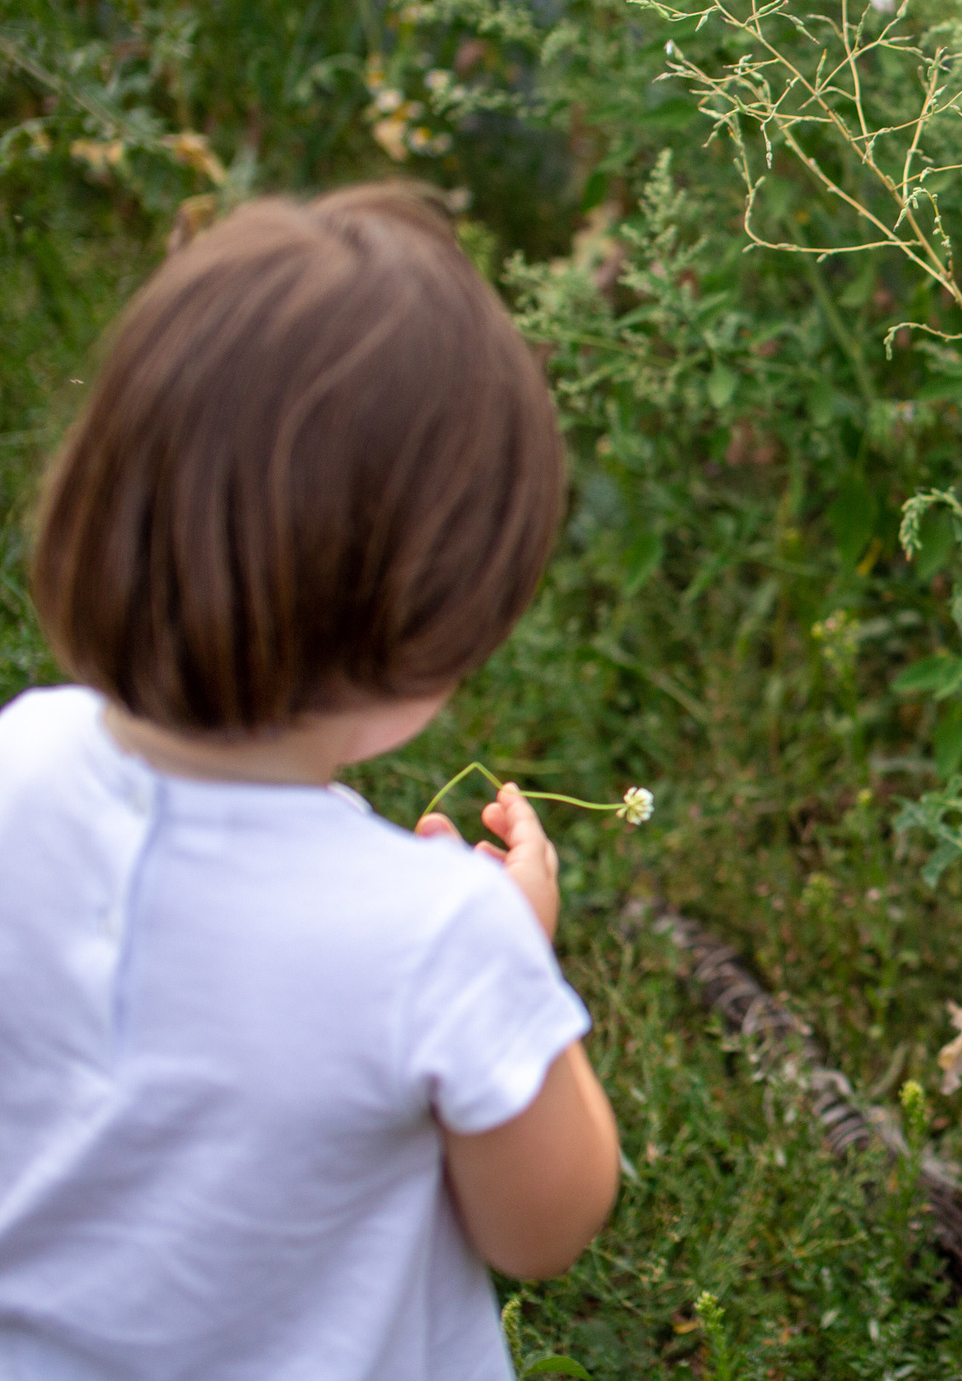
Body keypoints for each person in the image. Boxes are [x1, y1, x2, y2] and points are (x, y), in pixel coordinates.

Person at [0, 184, 620, 1379]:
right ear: (427, 638)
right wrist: (513, 958)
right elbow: (546, 1225)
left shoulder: (17, 760)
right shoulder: (440, 937)